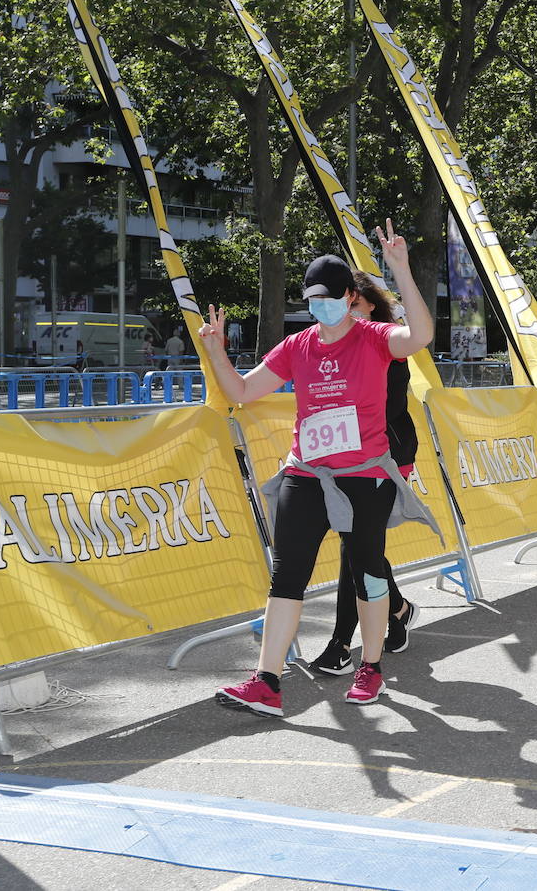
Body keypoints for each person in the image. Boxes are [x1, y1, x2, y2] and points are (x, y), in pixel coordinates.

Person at [206, 221, 435, 717]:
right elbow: (242, 392)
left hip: (364, 476)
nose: (320, 307)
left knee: (367, 570)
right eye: (312, 300)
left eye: (329, 298)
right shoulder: (298, 345)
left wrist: (400, 269)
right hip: (306, 473)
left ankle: (370, 666)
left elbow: (420, 334)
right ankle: (267, 681)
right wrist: (216, 352)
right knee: (287, 575)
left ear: (351, 297)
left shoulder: (374, 338)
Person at [307, 274, 423, 676]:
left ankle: (341, 644)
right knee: (360, 545)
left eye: (350, 306)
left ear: (369, 305)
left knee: (354, 546)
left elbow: (387, 407)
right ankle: (398, 609)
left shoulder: (385, 342)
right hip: (341, 457)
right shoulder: (328, 346)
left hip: (386, 455)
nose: (342, 316)